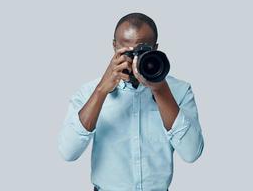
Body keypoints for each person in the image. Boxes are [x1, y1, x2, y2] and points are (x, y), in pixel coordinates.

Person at [57, 12, 204, 191]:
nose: (134, 59)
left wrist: (160, 89)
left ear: (155, 49)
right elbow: (68, 152)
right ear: (114, 46)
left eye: (141, 52)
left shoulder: (179, 90)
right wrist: (102, 90)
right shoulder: (90, 91)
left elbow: (191, 154)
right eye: (128, 52)